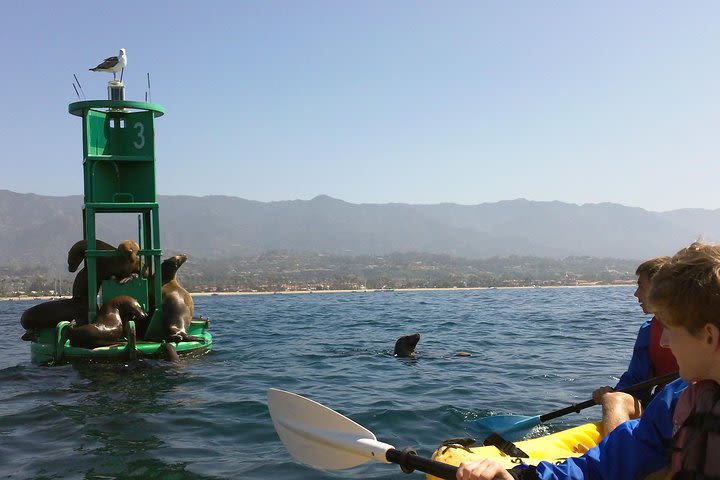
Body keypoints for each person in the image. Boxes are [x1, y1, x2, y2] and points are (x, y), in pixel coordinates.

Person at [456, 241, 720, 480]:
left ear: (709, 336)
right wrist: (517, 477)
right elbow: (599, 467)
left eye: (671, 330)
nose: (664, 342)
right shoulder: (677, 400)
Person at [591, 256, 678, 434]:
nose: (636, 294)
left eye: (641, 286)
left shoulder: (697, 326)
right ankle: (616, 455)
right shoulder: (648, 331)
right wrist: (612, 392)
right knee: (614, 399)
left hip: (691, 402)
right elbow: (637, 381)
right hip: (662, 406)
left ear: (658, 289)